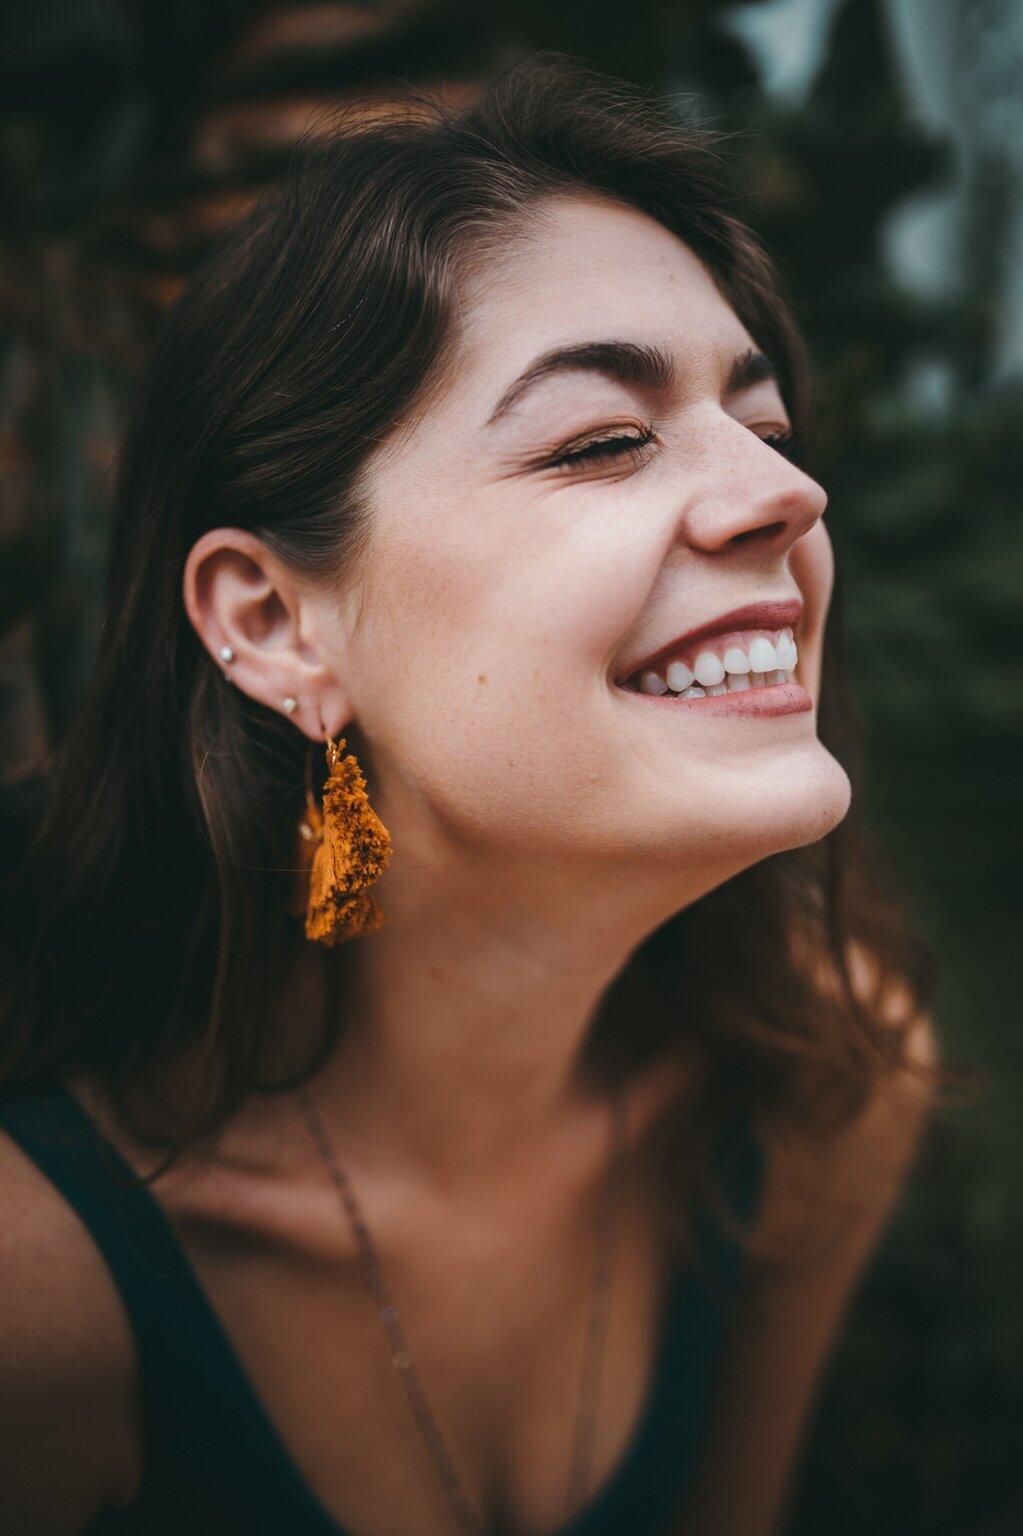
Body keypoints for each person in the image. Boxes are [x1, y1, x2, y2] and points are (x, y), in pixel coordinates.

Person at [0, 53, 941, 1536]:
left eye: (763, 429)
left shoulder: (824, 1088)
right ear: (271, 625)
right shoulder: (42, 1302)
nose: (790, 494)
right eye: (600, 440)